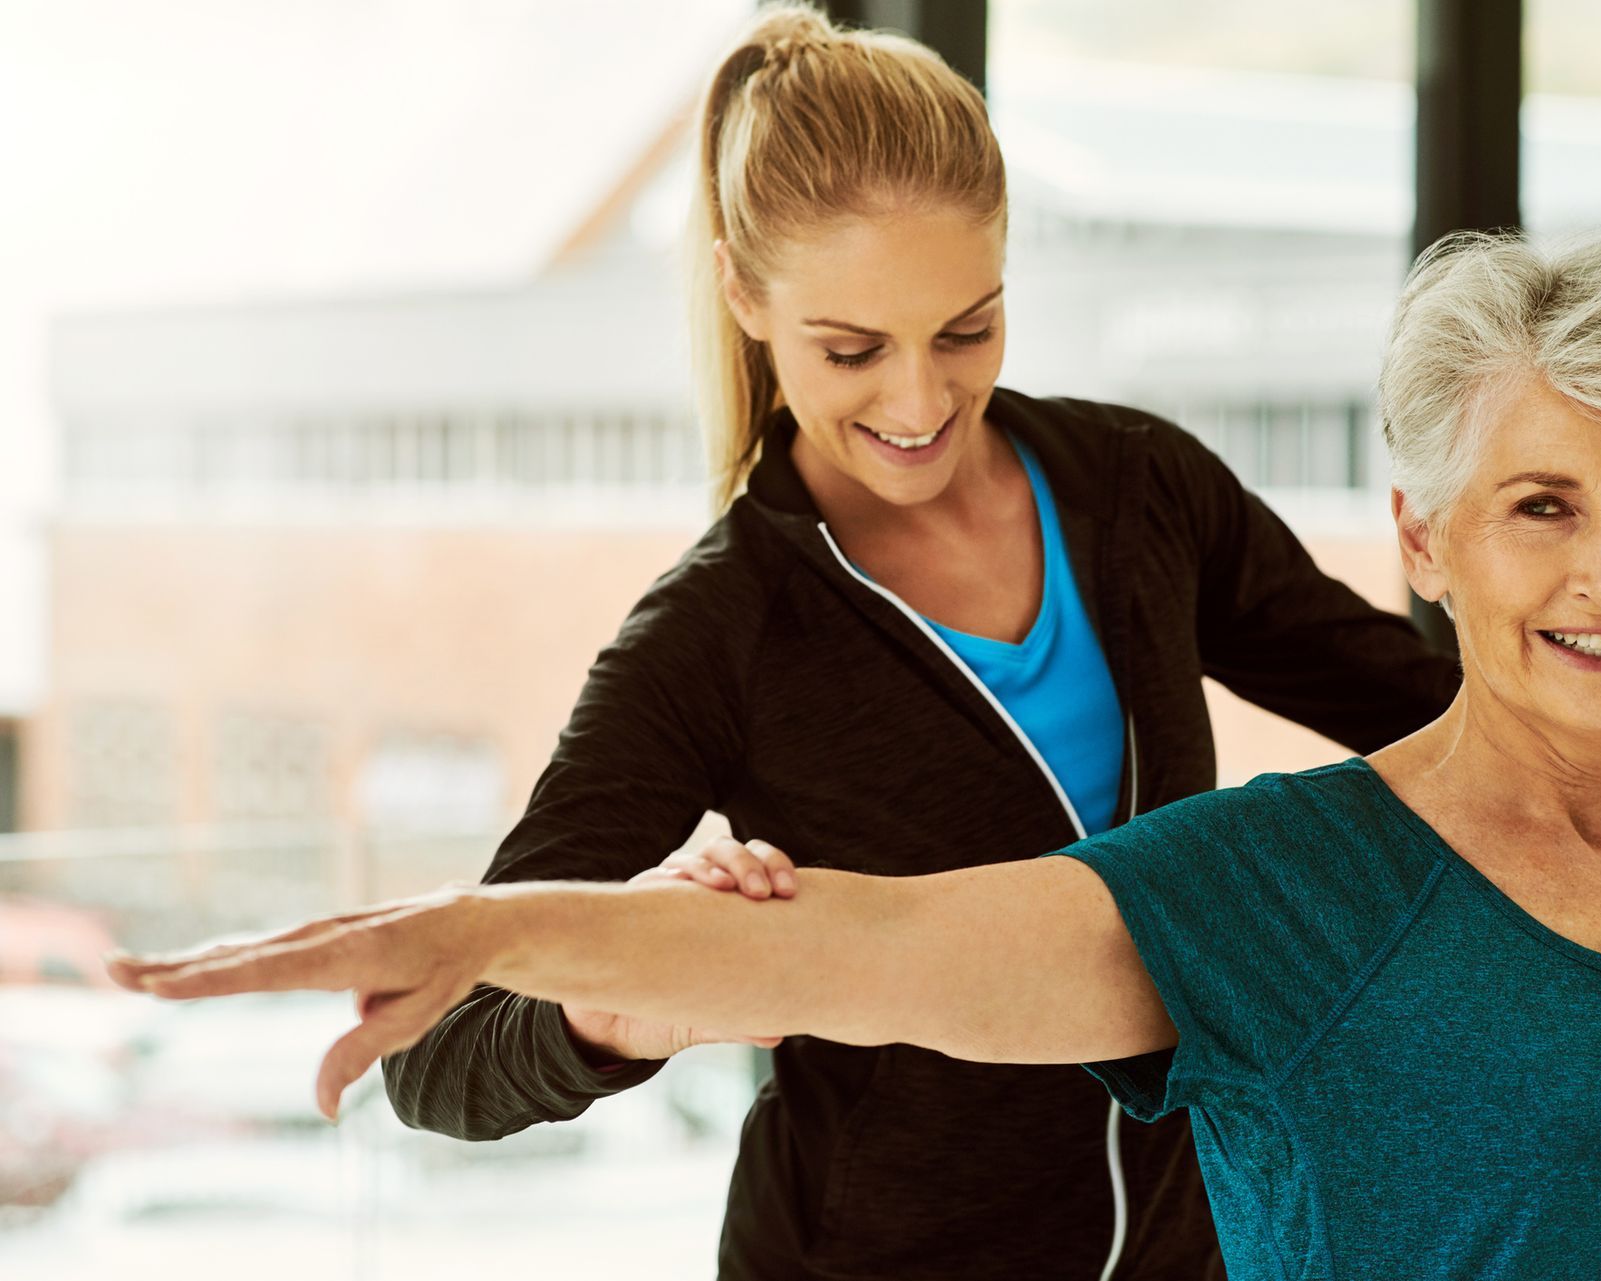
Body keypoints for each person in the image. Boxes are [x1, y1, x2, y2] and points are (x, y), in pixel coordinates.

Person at [111, 222, 1601, 1280]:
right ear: (1428, 541)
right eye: (1541, 505)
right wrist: (496, 935)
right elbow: (865, 949)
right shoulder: (1291, 884)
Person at [275, 6, 1459, 1280]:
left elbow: (1445, 720)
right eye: (852, 350)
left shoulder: (1141, 491)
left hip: (1185, 1247)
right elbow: (441, 1059)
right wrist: (608, 1011)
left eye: (967, 329)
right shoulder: (716, 635)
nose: (919, 401)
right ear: (743, 292)